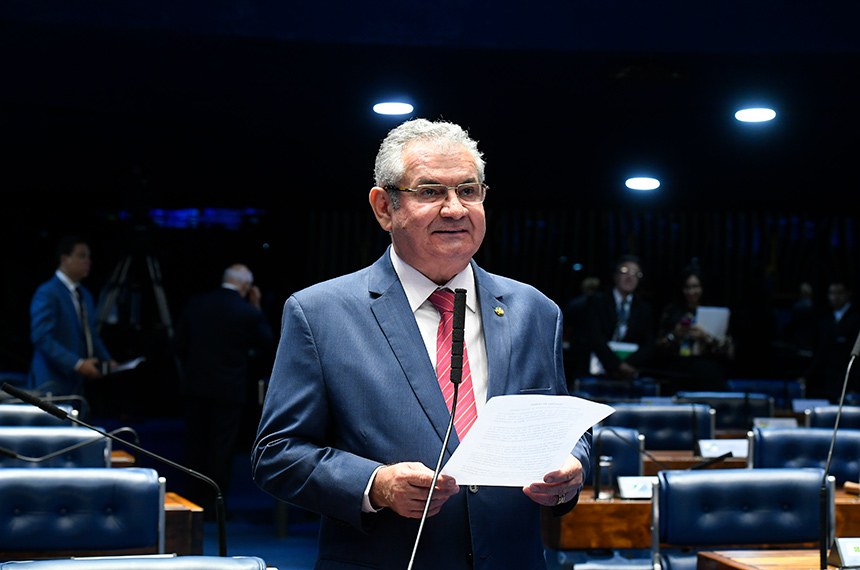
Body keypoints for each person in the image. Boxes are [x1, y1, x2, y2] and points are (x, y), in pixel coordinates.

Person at [251, 118, 590, 569]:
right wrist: (375, 484)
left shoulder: (535, 311)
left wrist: (571, 467)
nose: (454, 209)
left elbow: (560, 424)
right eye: (430, 192)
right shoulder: (320, 313)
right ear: (383, 207)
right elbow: (277, 453)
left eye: (468, 191)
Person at [175, 263, 274, 515]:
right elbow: (267, 342)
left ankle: (190, 501)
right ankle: (215, 504)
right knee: (222, 448)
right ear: (246, 286)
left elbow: (179, 344)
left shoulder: (197, 303)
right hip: (229, 390)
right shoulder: (246, 311)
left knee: (195, 444)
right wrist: (256, 306)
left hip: (195, 386)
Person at [28, 235, 116, 407]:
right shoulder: (47, 292)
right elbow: (42, 338)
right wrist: (77, 364)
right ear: (64, 259)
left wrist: (107, 360)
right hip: (51, 381)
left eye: (89, 257)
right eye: (82, 256)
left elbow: (90, 333)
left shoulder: (85, 295)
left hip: (76, 384)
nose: (88, 261)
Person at [655, 265, 735, 393]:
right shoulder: (672, 312)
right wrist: (676, 334)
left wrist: (705, 337)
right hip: (678, 369)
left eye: (695, 287)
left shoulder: (715, 311)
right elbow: (659, 347)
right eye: (687, 287)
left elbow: (729, 350)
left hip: (708, 370)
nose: (691, 292)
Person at [585, 254, 656, 381]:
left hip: (631, 373)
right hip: (598, 370)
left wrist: (628, 365)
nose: (630, 277)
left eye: (636, 274)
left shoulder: (645, 308)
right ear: (615, 275)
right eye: (625, 271)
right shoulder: (597, 302)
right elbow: (594, 336)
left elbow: (649, 343)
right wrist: (617, 365)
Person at [800, 279, 860, 401]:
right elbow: (820, 354)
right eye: (831, 293)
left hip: (848, 383)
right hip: (826, 383)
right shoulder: (825, 321)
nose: (834, 297)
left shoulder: (856, 320)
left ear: (848, 294)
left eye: (839, 293)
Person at [563, 275, 601, 383]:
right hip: (593, 345)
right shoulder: (601, 304)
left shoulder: (575, 303)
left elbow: (567, 325)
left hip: (578, 344)